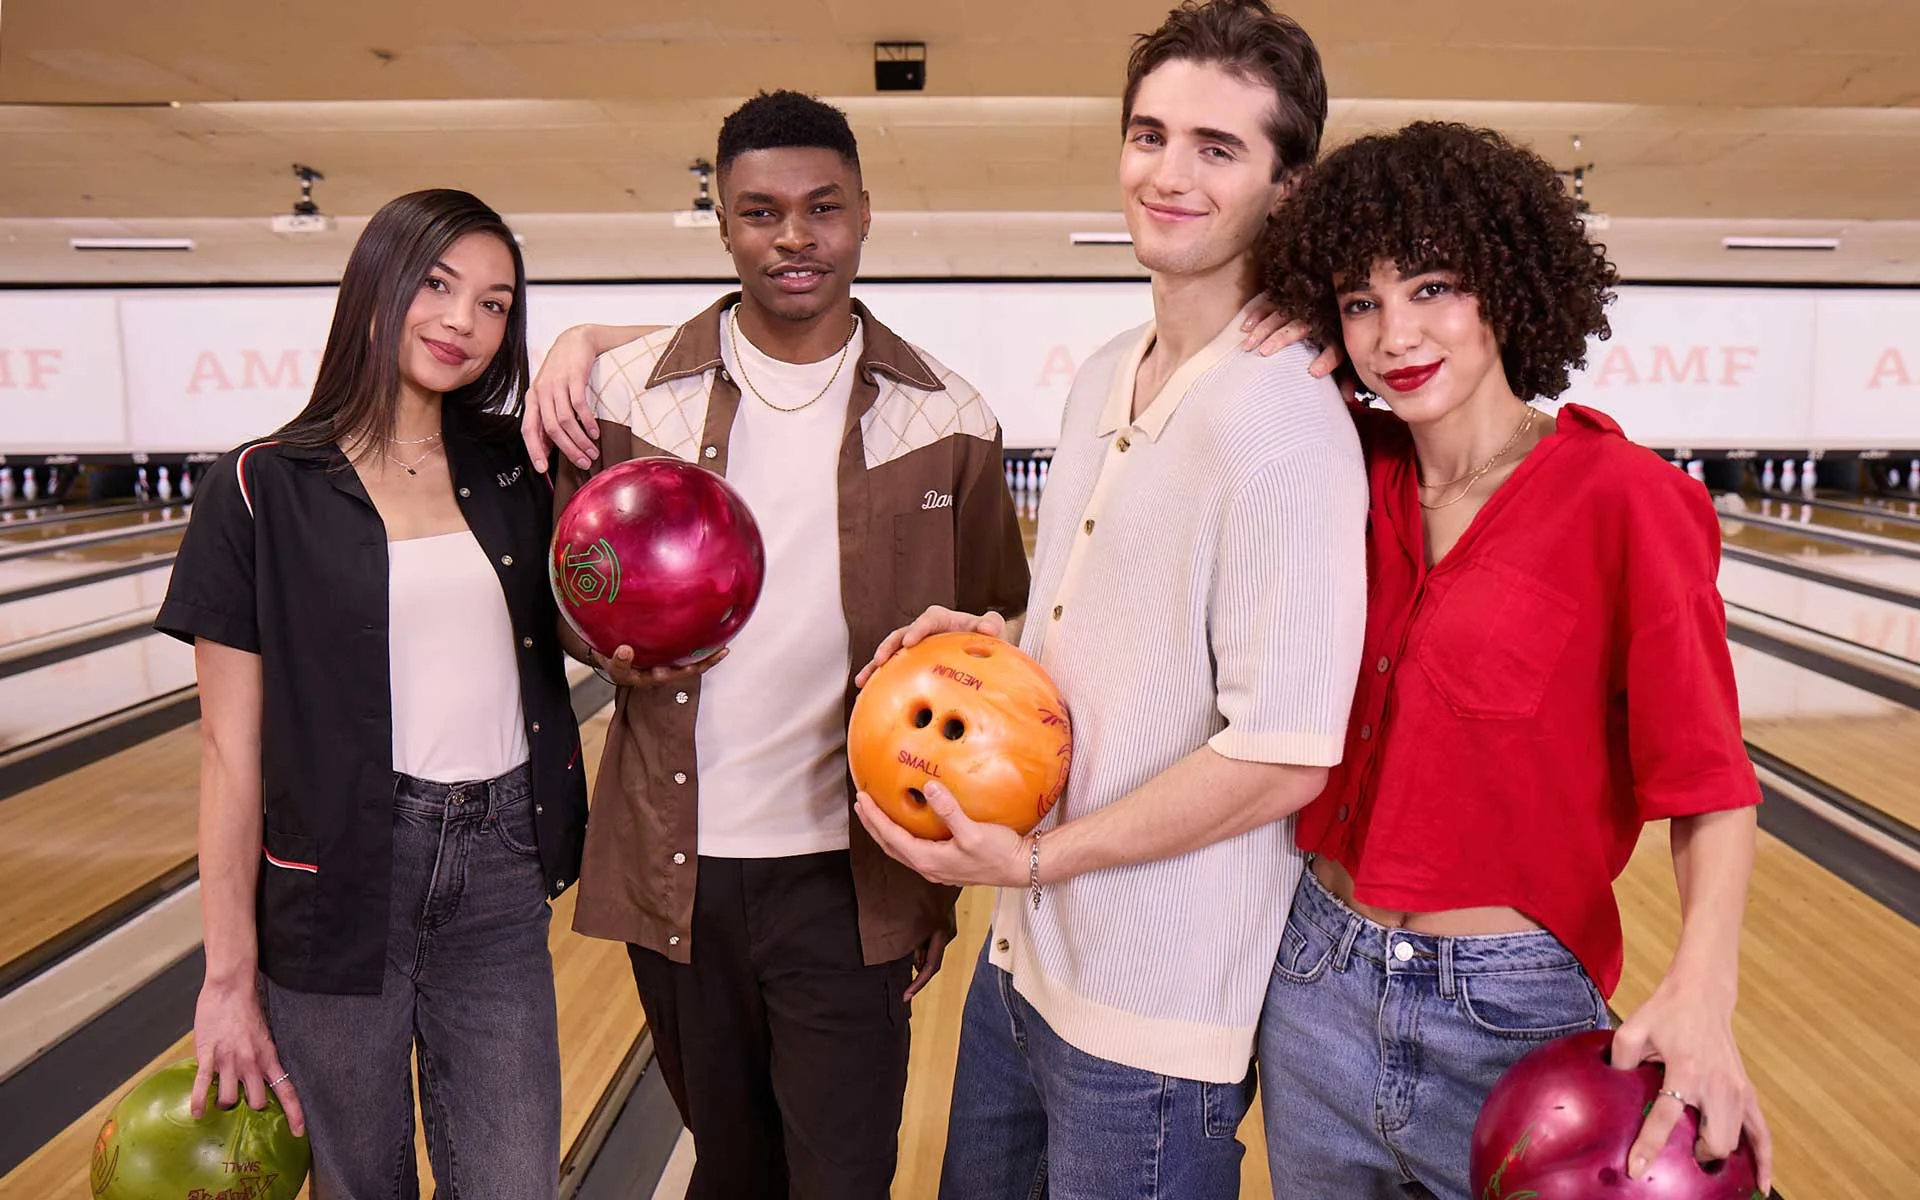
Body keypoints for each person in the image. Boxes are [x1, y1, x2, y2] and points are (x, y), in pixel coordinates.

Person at [852, 3, 1366, 1195]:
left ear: (1287, 187)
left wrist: (1035, 863)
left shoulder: (1285, 421)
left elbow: (1285, 756)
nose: (1168, 173)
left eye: (1217, 148)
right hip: (1027, 966)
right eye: (1149, 134)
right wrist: (998, 649)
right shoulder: (1098, 379)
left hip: (1152, 1025)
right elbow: (1124, 648)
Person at [521, 91, 1031, 1198]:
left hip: (849, 879)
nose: (793, 236)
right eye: (760, 212)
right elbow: (570, 591)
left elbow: (995, 638)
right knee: (730, 1167)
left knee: (841, 1177)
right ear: (723, 223)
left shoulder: (950, 417)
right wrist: (609, 651)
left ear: (862, 215)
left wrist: (928, 889)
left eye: (821, 208)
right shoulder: (624, 398)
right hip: (680, 867)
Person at [1256, 120, 1773, 1198]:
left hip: (1508, 1017)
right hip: (1313, 982)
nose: (1395, 333)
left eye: (1432, 287)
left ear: (1505, 285)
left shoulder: (1626, 502)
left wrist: (1703, 997)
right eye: (1360, 301)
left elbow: (1711, 784)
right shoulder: (1342, 471)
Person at [156, 188, 588, 1197]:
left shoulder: (509, 465)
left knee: (517, 1180)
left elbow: (707, 341)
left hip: (499, 869)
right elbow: (228, 753)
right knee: (361, 1184)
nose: (463, 322)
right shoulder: (261, 487)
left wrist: (582, 340)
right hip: (336, 876)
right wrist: (227, 979)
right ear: (376, 284)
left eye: (495, 303)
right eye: (438, 286)